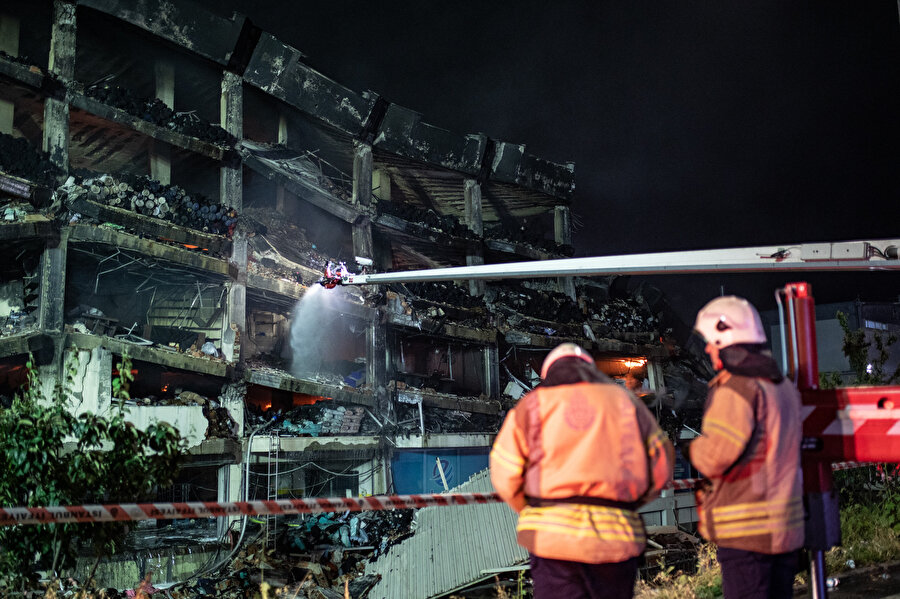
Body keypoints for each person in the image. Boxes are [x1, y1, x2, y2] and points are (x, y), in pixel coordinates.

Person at [490, 343, 674, 599]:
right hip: (615, 538)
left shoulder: (529, 408)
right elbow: (660, 464)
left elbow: (504, 474)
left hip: (552, 541)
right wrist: (629, 501)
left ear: (548, 373)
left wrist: (533, 508)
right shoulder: (623, 402)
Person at [685, 296, 803, 598]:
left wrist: (692, 448)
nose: (708, 349)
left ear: (728, 340)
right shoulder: (782, 386)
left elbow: (715, 457)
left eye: (712, 342)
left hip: (747, 535)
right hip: (784, 531)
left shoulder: (737, 388)